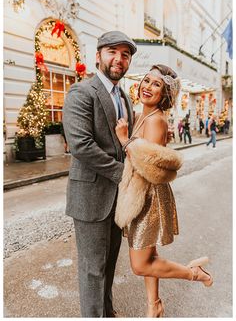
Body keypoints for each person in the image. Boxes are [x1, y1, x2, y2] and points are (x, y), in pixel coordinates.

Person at [114, 64, 213, 317]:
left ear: (165, 94)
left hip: (148, 196)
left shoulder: (156, 120)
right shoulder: (142, 115)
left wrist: (125, 140)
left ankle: (194, 273)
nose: (147, 87)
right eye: (146, 81)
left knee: (140, 265)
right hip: (140, 193)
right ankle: (154, 306)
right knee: (151, 256)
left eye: (156, 84)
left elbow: (150, 166)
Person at [63, 31, 137, 317]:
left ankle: (106, 312)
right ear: (98, 56)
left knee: (108, 264)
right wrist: (124, 174)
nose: (118, 59)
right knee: (92, 269)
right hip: (91, 197)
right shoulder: (81, 92)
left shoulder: (125, 98)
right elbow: (81, 145)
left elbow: (123, 143)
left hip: (118, 200)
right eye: (112, 52)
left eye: (125, 54)